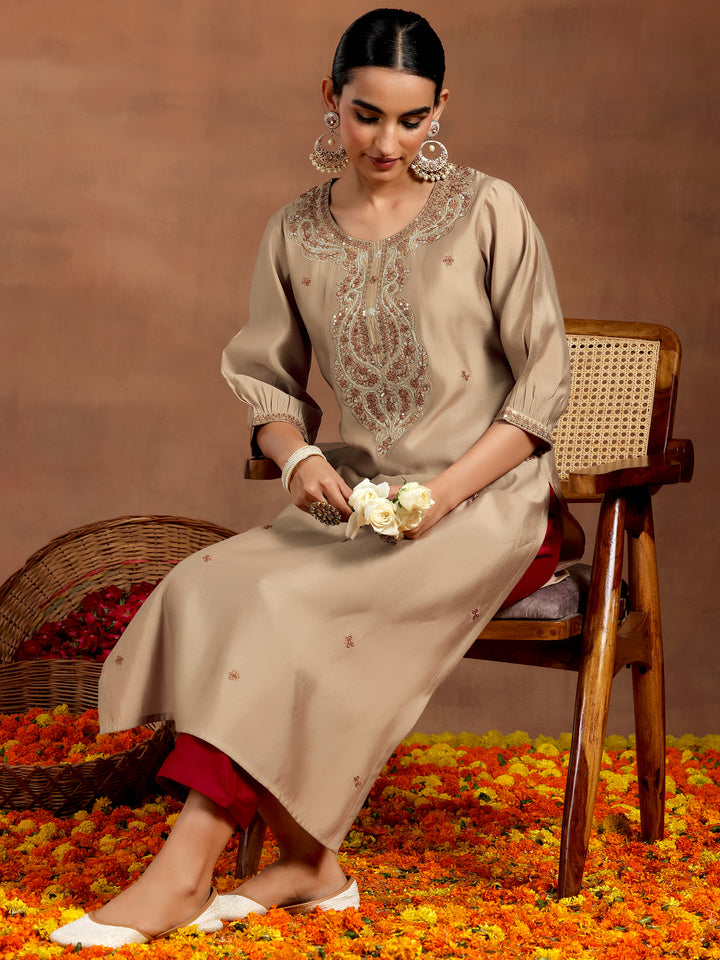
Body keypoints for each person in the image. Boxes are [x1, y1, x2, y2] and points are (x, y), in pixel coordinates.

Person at [50, 8, 582, 949]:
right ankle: (308, 866)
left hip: (488, 509)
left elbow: (541, 393)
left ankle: (183, 872)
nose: (387, 142)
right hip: (361, 505)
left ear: (441, 109)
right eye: (365, 114)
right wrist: (297, 456)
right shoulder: (294, 230)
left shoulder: (488, 209)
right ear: (330, 98)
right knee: (209, 582)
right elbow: (268, 380)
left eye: (412, 119)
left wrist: (442, 498)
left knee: (283, 607)